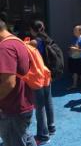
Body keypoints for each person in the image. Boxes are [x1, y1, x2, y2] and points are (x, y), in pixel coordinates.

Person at [0, 18, 37, 146]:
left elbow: (8, 83)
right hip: (24, 103)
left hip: (12, 108)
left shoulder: (5, 48)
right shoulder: (17, 42)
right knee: (25, 135)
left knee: (15, 139)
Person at [29, 20, 56, 145]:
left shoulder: (34, 42)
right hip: (48, 74)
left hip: (38, 76)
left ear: (33, 30)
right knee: (48, 101)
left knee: (39, 107)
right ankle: (51, 128)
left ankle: (43, 135)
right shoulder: (48, 39)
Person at [67, 25, 81, 92]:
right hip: (73, 58)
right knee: (75, 72)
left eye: (75, 30)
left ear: (80, 31)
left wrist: (76, 49)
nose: (74, 31)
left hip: (80, 59)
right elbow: (71, 47)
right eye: (74, 30)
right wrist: (70, 51)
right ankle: (74, 85)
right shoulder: (73, 38)